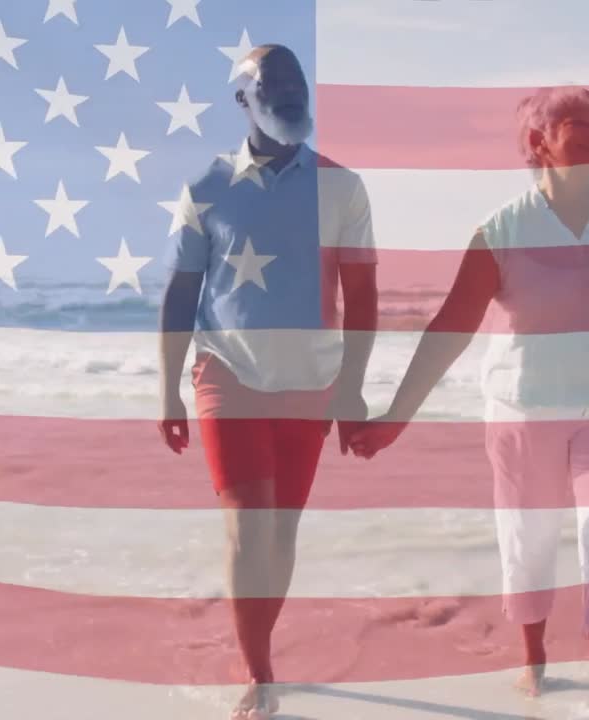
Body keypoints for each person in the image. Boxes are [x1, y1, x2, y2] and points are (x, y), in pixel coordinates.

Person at [348, 86, 589, 720]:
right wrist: (397, 417)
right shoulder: (502, 229)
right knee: (528, 544)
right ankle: (533, 660)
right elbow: (451, 326)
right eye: (575, 124)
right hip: (524, 412)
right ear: (538, 142)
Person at [157, 44, 378, 720]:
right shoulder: (206, 189)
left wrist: (353, 387)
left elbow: (364, 297)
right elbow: (178, 295)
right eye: (270, 82)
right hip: (229, 375)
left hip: (309, 383)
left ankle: (259, 647)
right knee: (252, 530)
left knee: (282, 534)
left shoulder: (343, 187)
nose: (286, 91)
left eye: (294, 81)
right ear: (242, 100)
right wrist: (168, 389)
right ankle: (259, 673)